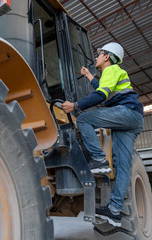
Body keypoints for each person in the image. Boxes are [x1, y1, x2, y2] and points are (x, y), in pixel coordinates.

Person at [61, 42, 144, 227]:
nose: (96, 57)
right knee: (122, 165)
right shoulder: (112, 73)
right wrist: (89, 75)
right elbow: (103, 86)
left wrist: (75, 106)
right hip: (134, 119)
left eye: (99, 54)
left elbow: (101, 94)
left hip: (126, 112)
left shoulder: (112, 70)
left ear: (107, 57)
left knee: (83, 120)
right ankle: (114, 211)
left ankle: (98, 159)